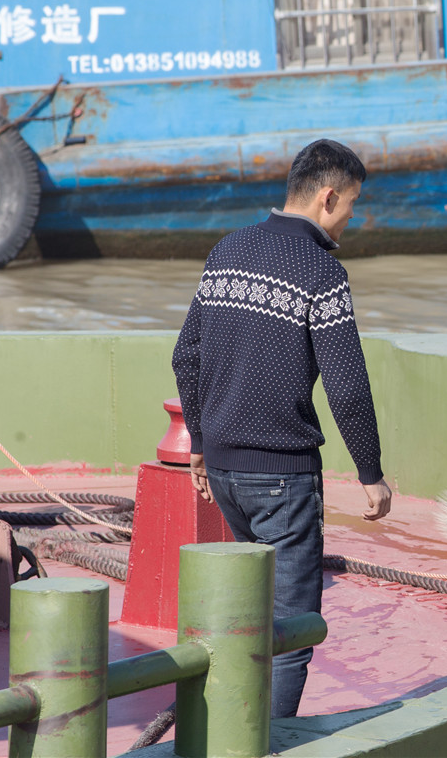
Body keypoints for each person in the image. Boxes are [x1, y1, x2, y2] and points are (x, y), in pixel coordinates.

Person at [171, 138, 392, 718]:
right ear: (327, 197)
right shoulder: (323, 272)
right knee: (291, 634)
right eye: (351, 205)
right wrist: (371, 474)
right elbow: (347, 386)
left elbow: (185, 355)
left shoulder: (227, 249)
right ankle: (265, 743)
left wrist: (200, 441)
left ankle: (227, 732)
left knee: (248, 618)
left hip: (222, 473)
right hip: (282, 480)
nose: (352, 218)